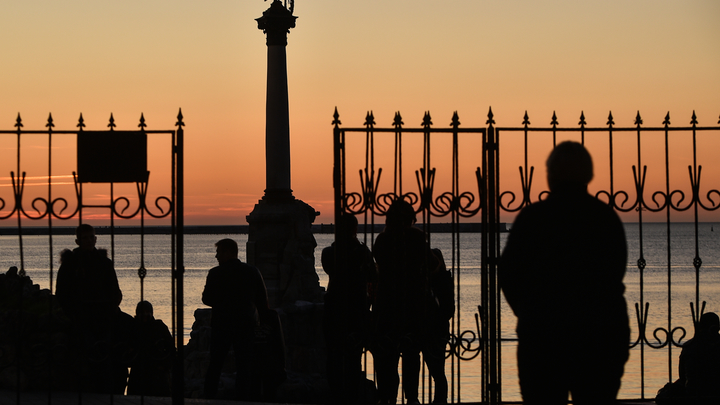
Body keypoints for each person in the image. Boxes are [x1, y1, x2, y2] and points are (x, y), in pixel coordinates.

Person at [499, 141, 630, 405]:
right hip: (600, 335)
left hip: (543, 337)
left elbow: (510, 273)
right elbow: (616, 270)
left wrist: (529, 312)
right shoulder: (605, 218)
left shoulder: (533, 218)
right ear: (589, 175)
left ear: (550, 175)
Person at [372, 199, 438, 405]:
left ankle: (387, 397)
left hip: (386, 303)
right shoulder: (417, 239)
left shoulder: (382, 240)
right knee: (411, 352)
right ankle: (412, 398)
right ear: (410, 218)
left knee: (387, 355)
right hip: (413, 303)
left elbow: (379, 266)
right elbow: (433, 264)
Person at [55, 223, 132, 394]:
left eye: (91, 237)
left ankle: (110, 389)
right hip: (81, 317)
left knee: (107, 352)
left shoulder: (104, 262)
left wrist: (110, 308)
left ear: (95, 238)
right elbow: (62, 293)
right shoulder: (70, 264)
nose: (89, 241)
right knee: (86, 355)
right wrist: (73, 312)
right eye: (85, 238)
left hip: (104, 316)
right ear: (78, 241)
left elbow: (115, 290)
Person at [202, 238, 268, 400]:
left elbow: (206, 299)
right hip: (245, 325)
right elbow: (262, 301)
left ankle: (208, 397)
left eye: (218, 252)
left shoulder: (215, 273)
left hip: (221, 325)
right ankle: (243, 398)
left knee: (215, 364)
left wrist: (222, 302)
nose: (216, 256)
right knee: (244, 366)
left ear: (228, 252)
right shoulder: (252, 271)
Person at [321, 212, 377, 404]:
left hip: (334, 309)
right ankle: (352, 396)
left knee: (334, 356)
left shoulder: (329, 253)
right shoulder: (363, 253)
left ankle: (336, 395)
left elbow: (330, 270)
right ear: (354, 230)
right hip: (357, 309)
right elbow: (373, 278)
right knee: (353, 357)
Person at [422, 248, 453, 404]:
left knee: (437, 370)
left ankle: (440, 400)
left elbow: (448, 309)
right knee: (435, 368)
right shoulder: (428, 280)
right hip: (427, 329)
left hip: (437, 329)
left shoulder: (442, 280)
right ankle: (439, 400)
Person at [127, 300, 175, 397]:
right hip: (138, 372)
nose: (145, 314)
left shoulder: (159, 327)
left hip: (156, 372)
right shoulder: (133, 327)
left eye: (147, 312)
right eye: (142, 312)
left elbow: (171, 349)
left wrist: (165, 366)